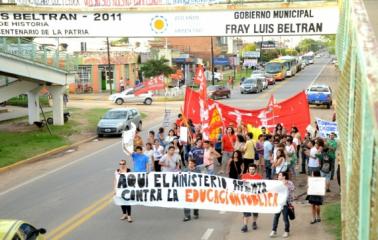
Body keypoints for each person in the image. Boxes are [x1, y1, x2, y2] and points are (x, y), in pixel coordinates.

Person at [270, 171, 295, 238]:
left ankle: (286, 231)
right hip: (277, 203)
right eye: (278, 176)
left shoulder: (289, 183)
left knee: (285, 218)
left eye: (280, 175)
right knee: (276, 217)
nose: (278, 177)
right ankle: (274, 230)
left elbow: (292, 189)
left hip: (285, 203)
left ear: (284, 176)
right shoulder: (276, 183)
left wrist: (285, 185)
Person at [241, 164, 262, 232]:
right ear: (248, 169)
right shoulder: (244, 176)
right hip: (246, 198)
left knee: (255, 213)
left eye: (253, 169)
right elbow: (240, 186)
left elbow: (261, 187)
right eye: (250, 169)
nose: (251, 170)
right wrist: (242, 183)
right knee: (246, 213)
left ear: (255, 169)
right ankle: (245, 226)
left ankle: (254, 222)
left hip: (255, 198)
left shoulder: (259, 177)